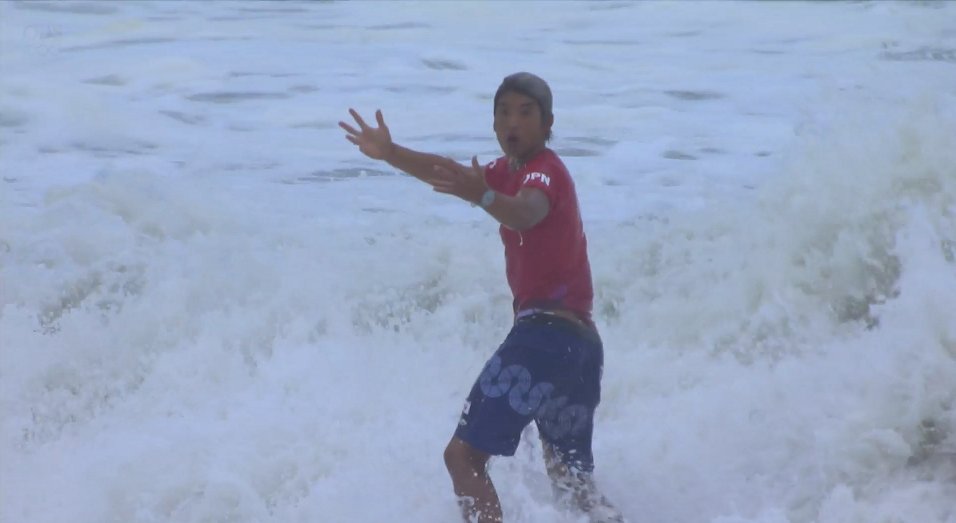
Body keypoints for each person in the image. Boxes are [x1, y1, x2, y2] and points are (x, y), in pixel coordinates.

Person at [339, 72, 625, 523]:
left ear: (548, 123)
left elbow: (527, 213)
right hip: (580, 348)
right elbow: (447, 172)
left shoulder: (543, 172)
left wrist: (486, 196)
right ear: (493, 124)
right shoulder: (506, 173)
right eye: (504, 113)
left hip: (545, 338)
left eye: (526, 113)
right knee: (575, 491)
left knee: (462, 458)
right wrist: (391, 152)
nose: (513, 122)